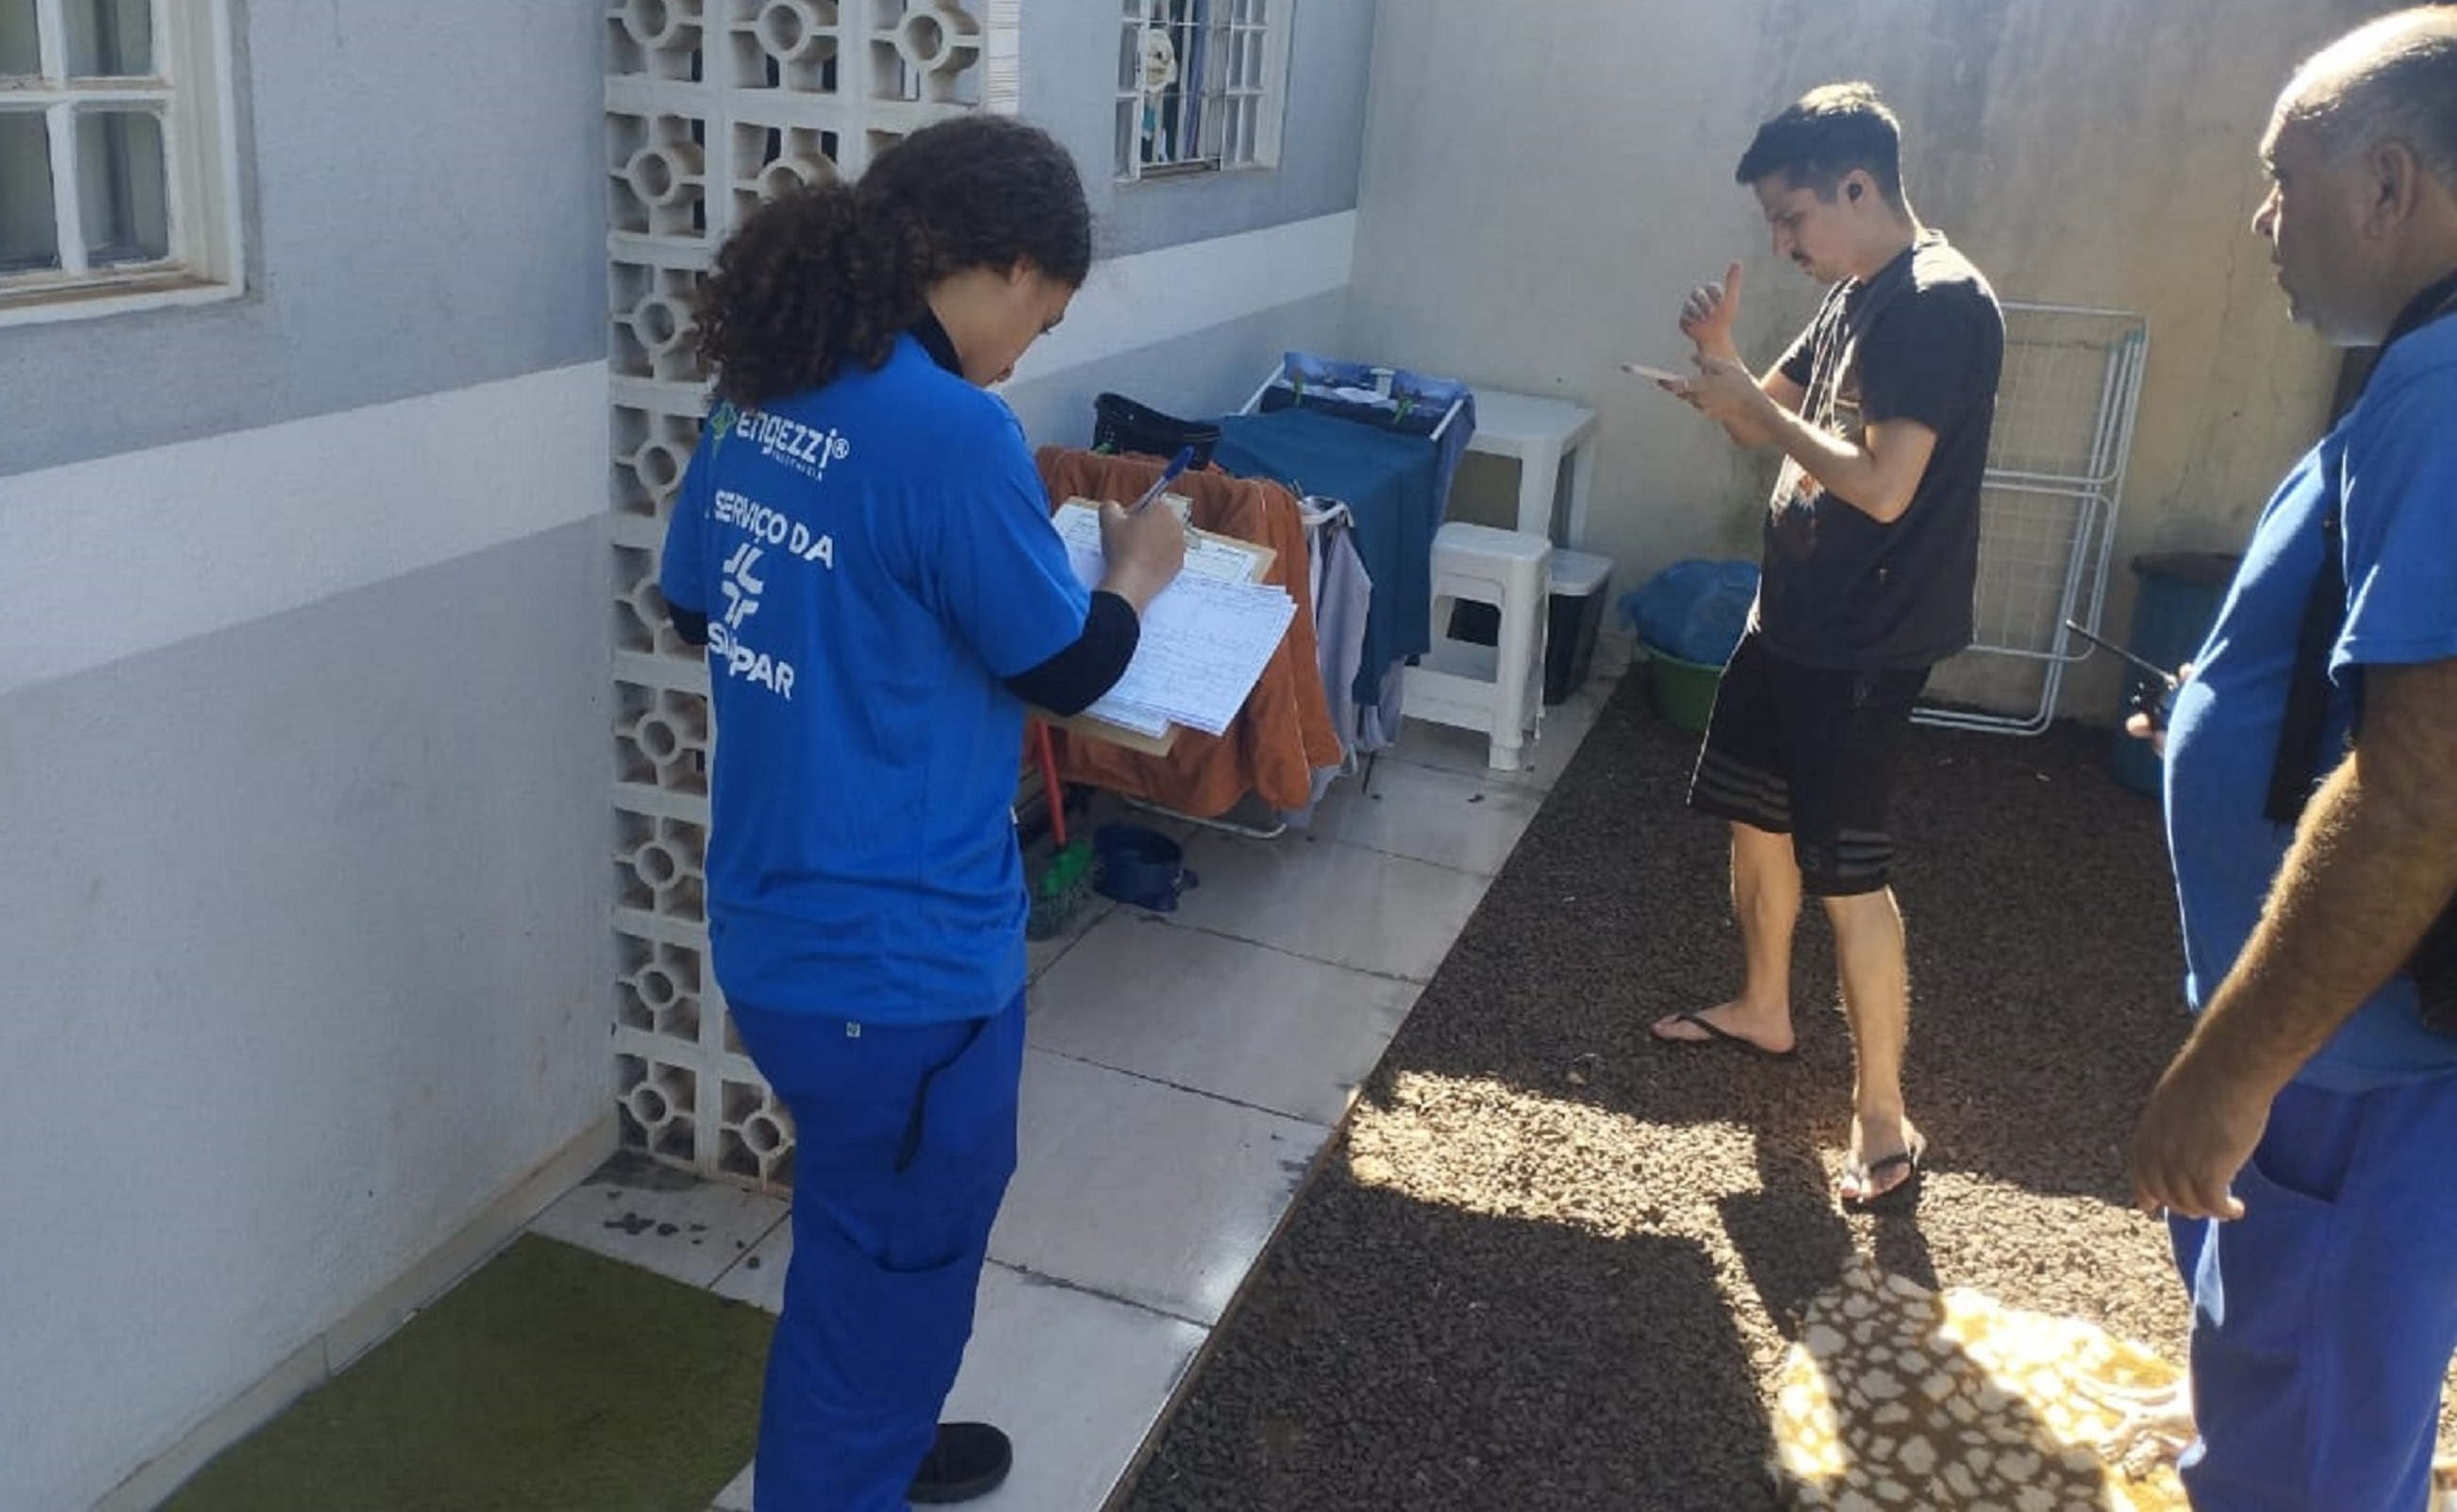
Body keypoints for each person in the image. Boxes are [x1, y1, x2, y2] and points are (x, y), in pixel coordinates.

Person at [658, 115, 1186, 1511]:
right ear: (1004, 265)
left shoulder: (768, 381)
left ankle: (882, 1442)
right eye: (1043, 315)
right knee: (885, 1271)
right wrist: (1138, 570)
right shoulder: (952, 431)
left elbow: (699, 600)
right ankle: (848, 1466)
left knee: (873, 1240)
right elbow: (1065, 665)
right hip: (898, 964)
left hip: (774, 920)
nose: (1022, 354)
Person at [2125, 10, 2457, 1506]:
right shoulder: (2419, 373)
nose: (2264, 218)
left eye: (2284, 178)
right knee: (2294, 1393)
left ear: (2388, 184)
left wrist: (2235, 1066)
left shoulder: (2441, 392)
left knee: (2305, 1442)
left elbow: (2419, 793)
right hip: (2351, 1053)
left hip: (2353, 1069)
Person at [1645, 83, 2004, 1212]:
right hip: (1789, 614)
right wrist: (1718, 364)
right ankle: (1764, 1006)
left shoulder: (1936, 304)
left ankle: (1881, 1113)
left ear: (1857, 187)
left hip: (1866, 638)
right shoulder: (1854, 292)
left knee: (1849, 872)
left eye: (1791, 218)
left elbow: (1886, 486)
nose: (1782, 244)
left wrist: (1754, 411)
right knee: (1757, 817)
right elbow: (1764, 411)